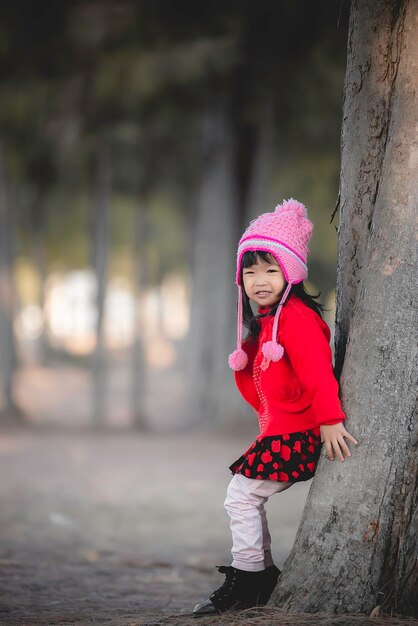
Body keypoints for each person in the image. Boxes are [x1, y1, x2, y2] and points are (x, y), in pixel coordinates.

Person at [193, 199, 358, 616]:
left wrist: (329, 421)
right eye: (250, 272)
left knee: (241, 496)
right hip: (281, 432)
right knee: (245, 496)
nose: (259, 280)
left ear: (291, 271)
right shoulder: (268, 322)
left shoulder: (297, 319)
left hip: (300, 434)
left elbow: (319, 373)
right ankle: (259, 573)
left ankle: (250, 578)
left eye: (270, 269)